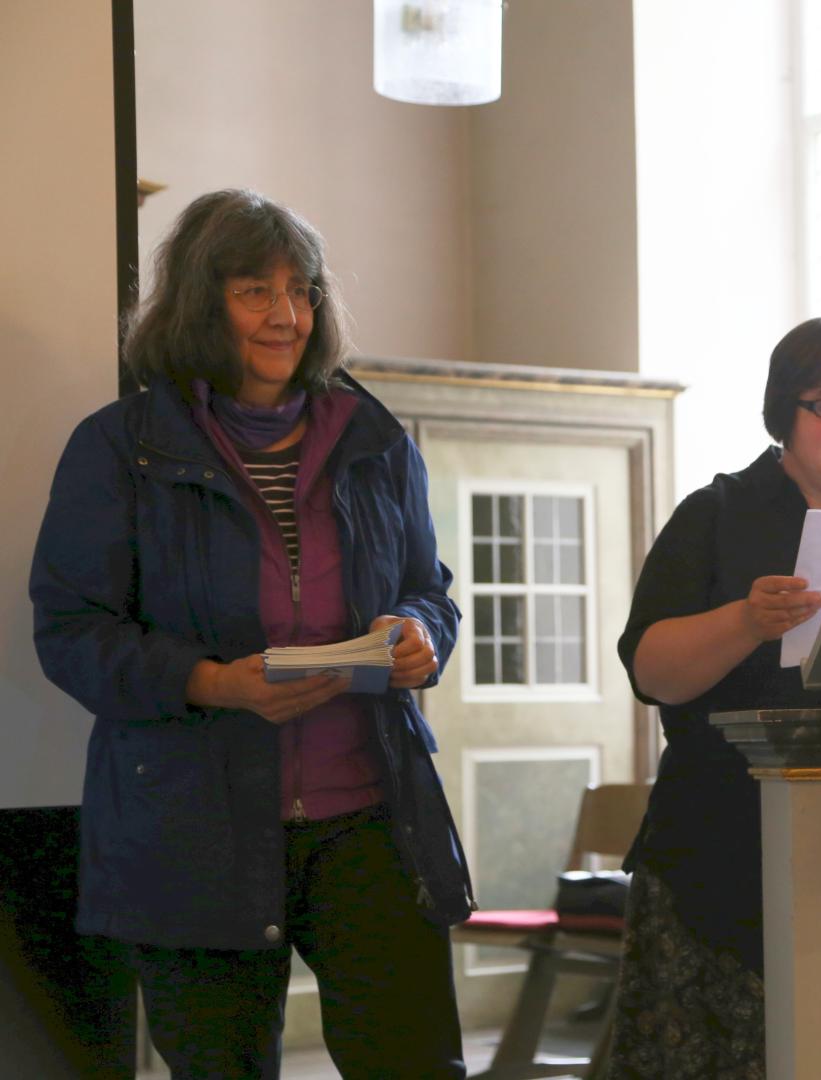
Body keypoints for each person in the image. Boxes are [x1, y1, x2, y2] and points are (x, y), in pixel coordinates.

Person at [29, 189, 472, 1078]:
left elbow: (431, 589)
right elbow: (71, 630)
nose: (288, 315)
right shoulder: (120, 448)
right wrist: (215, 682)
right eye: (254, 291)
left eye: (302, 289)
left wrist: (419, 631)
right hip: (194, 826)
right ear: (201, 301)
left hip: (370, 820)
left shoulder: (376, 440)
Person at [606, 317, 821, 1078]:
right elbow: (652, 672)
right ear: (785, 414)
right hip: (719, 841)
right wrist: (746, 620)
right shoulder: (715, 516)